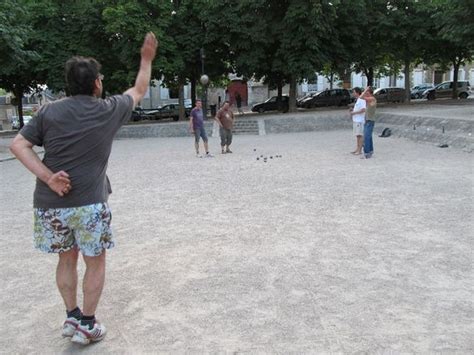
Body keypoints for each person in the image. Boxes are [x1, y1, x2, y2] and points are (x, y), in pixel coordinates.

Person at [9, 33, 158, 345]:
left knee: (66, 260)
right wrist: (146, 58)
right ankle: (88, 324)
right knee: (95, 261)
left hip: (50, 203)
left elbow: (18, 145)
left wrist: (48, 177)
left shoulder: (48, 112)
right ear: (97, 84)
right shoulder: (108, 110)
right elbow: (140, 89)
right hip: (89, 204)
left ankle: (72, 316)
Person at [360, 86, 377, 159]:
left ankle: (367, 153)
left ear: (369, 92)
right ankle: (370, 151)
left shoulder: (372, 99)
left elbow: (361, 97)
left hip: (370, 121)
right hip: (368, 120)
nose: (365, 93)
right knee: (368, 137)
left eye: (367, 92)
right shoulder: (368, 101)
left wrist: (365, 90)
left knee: (366, 137)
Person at [349, 87, 366, 155]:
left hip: (359, 120)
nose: (353, 93)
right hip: (356, 120)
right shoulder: (358, 100)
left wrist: (354, 113)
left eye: (354, 92)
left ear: (357, 92)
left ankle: (359, 150)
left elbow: (363, 110)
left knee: (360, 135)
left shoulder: (362, 100)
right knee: (357, 135)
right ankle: (357, 148)